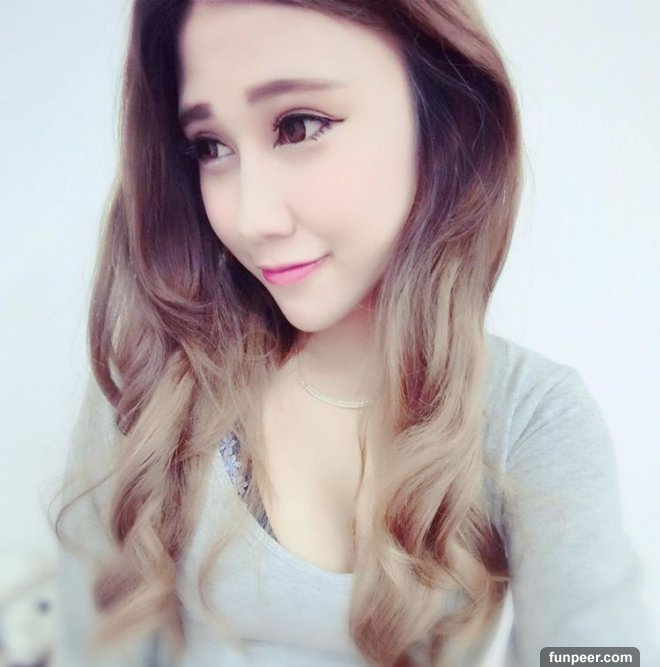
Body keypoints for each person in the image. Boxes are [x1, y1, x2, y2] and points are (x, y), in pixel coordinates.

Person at [53, 1, 658, 666]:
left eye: (298, 126)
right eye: (211, 147)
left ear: (444, 119)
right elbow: (96, 650)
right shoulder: (153, 380)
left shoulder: (531, 419)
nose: (251, 218)